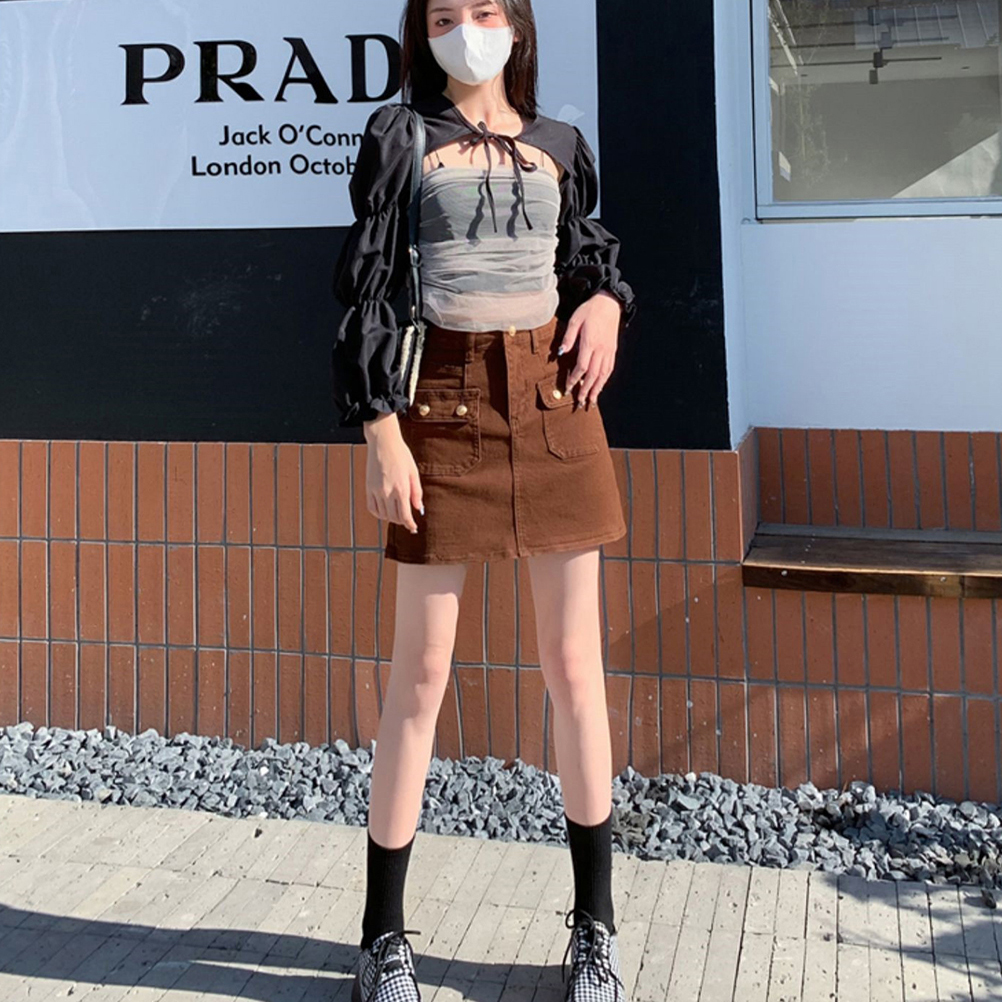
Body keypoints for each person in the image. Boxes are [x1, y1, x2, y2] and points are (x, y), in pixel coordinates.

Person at [331, 2, 637, 1000]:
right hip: (442, 406)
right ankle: (382, 940)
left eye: (486, 10)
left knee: (575, 669)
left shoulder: (561, 142)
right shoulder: (401, 136)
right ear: (421, 32)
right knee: (419, 678)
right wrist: (381, 430)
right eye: (445, 15)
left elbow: (585, 255)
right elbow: (371, 286)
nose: (468, 29)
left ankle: (595, 933)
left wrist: (606, 301)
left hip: (554, 409)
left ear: (518, 25)